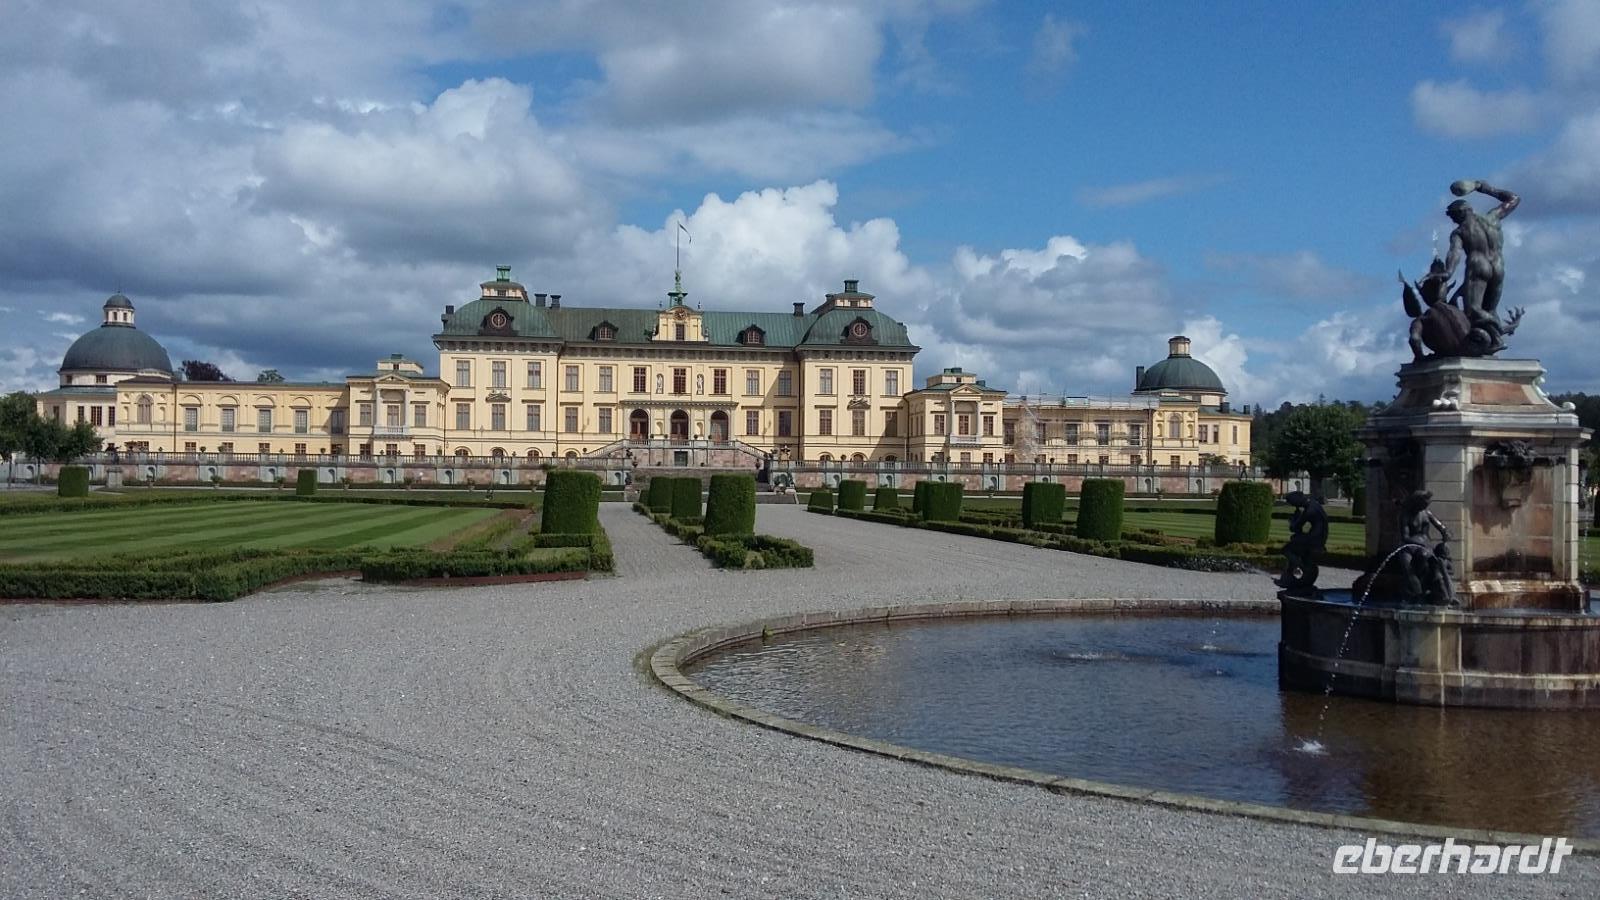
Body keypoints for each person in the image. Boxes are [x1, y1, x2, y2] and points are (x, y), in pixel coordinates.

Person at [1443, 179, 1519, 353]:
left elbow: (1454, 253)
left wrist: (1448, 273)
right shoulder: (1492, 218)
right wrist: (1483, 188)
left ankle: (1498, 336)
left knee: (1473, 311)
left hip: (1478, 268)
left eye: (1452, 216)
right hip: (1498, 267)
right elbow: (1514, 199)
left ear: (1461, 213)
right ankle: (1494, 340)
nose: (1453, 220)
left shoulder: (1460, 231)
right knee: (1490, 310)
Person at [1396, 489, 1456, 606]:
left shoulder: (1426, 513)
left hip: (1423, 545)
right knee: (1407, 567)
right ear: (1416, 502)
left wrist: (1445, 532)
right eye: (1423, 504)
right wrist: (1420, 543)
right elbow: (1405, 536)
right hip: (1408, 546)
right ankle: (1417, 593)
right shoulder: (1405, 515)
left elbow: (1440, 526)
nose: (1425, 507)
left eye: (1427, 505)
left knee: (1434, 562)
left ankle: (1443, 593)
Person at [1275, 491, 1328, 593]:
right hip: (1318, 538)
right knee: (1294, 542)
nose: (1294, 505)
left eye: (1293, 503)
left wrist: (1293, 520)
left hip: (1314, 540)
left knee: (1286, 550)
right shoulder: (1313, 504)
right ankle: (1289, 576)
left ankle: (1302, 568)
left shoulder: (1309, 511)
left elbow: (1295, 528)